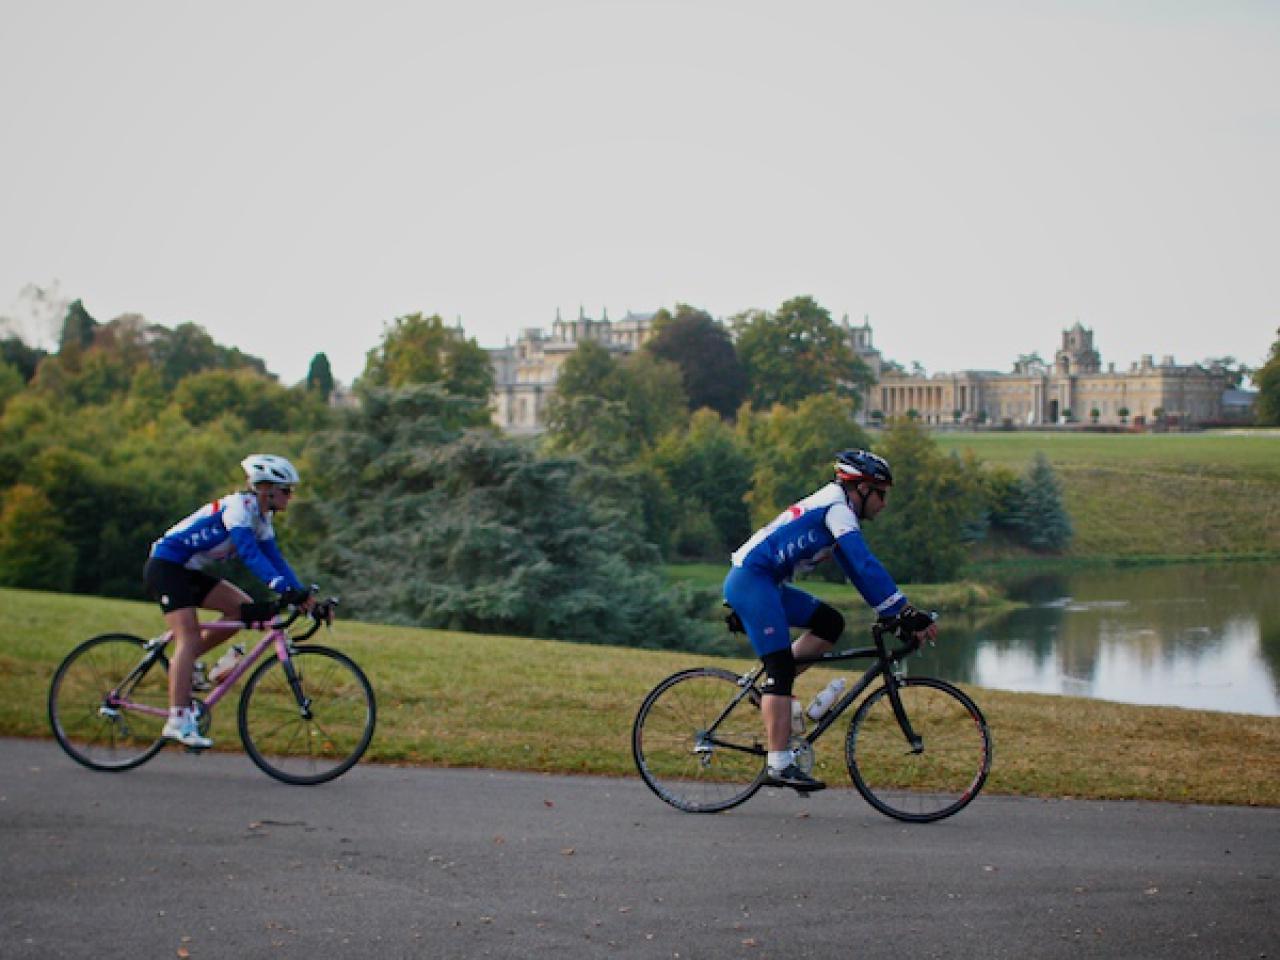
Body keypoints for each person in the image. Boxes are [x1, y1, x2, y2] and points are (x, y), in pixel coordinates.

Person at [723, 448, 938, 792]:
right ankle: (778, 763)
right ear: (861, 489)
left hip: (765, 584)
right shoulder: (837, 509)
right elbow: (865, 564)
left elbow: (857, 572)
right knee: (779, 669)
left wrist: (895, 612)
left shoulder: (839, 509)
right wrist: (904, 612)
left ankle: (769, 695)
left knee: (830, 623)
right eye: (881, 494)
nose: (884, 503)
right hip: (752, 581)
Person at [144, 454, 313, 748]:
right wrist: (280, 588)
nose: (290, 496)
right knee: (188, 636)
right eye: (286, 490)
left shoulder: (263, 517)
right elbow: (249, 553)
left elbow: (275, 559)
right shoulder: (238, 508)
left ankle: (185, 665)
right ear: (266, 488)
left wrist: (303, 596)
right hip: (166, 567)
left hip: (188, 571)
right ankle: (177, 720)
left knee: (239, 609)